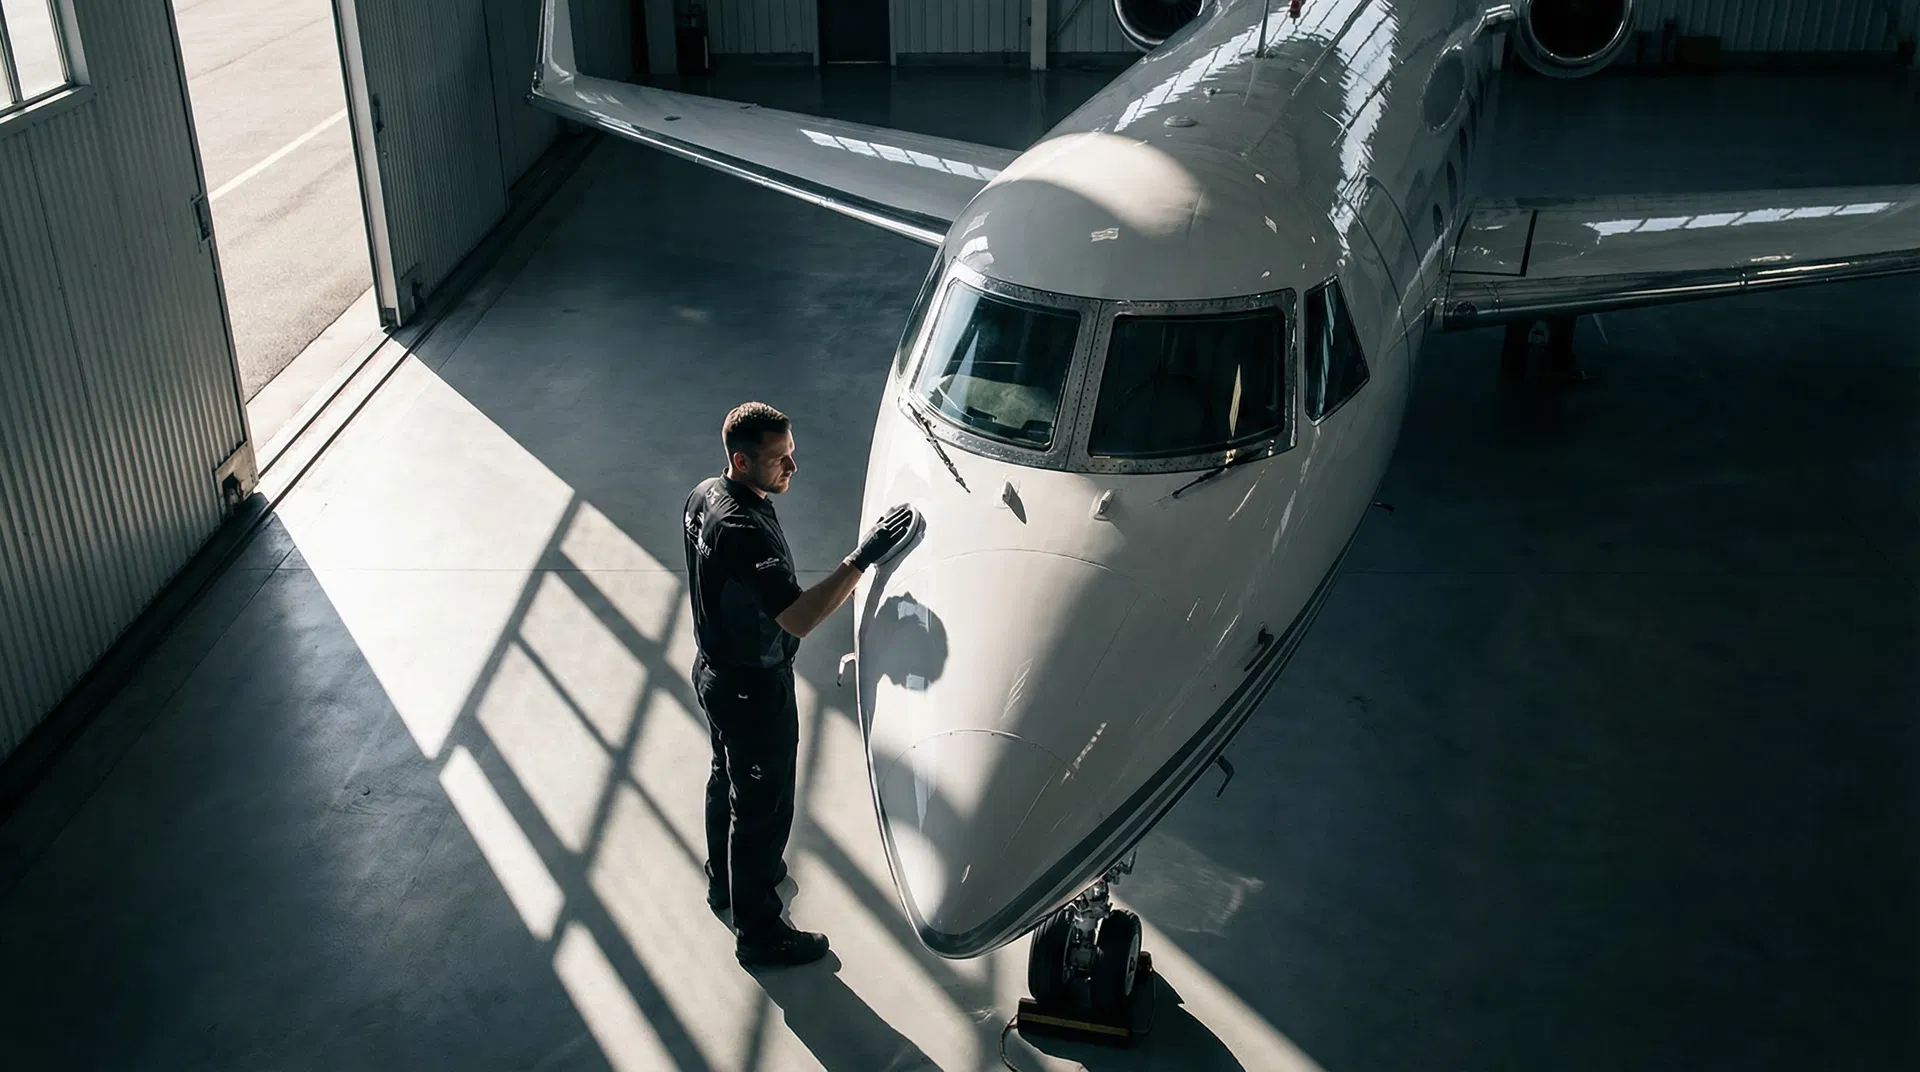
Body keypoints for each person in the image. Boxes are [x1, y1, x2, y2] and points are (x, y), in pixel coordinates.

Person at [683, 401, 916, 968]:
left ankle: (726, 882)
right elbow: (800, 618)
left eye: (792, 454)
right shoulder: (744, 531)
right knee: (762, 811)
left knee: (727, 777)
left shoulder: (704, 494)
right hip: (753, 691)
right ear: (740, 461)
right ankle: (760, 932)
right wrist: (862, 559)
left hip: (713, 672)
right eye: (778, 460)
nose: (793, 468)